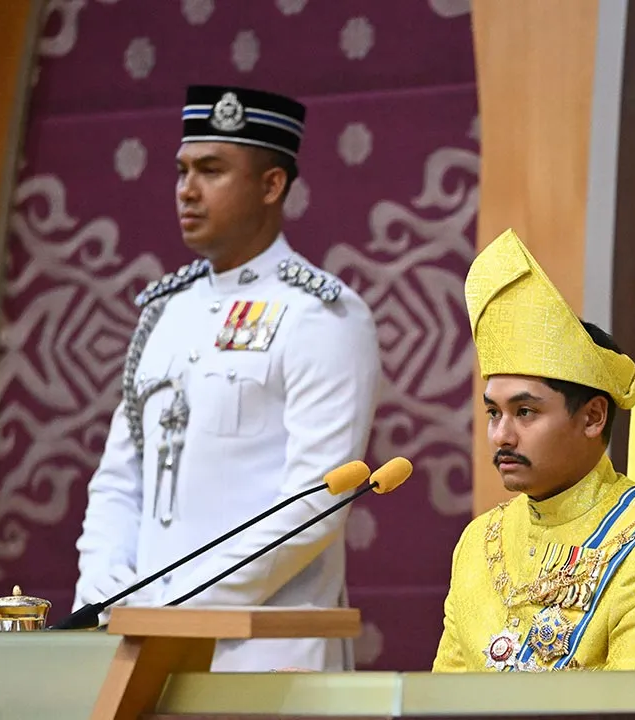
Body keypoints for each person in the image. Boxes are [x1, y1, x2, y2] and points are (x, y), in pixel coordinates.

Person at [72, 85, 381, 673]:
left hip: (264, 655)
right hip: (139, 643)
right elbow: (119, 480)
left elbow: (316, 499)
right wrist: (105, 593)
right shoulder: (164, 310)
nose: (187, 189)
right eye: (183, 170)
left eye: (212, 171)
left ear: (272, 186)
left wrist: (171, 606)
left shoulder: (321, 313)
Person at [432, 229, 635, 709]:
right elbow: (440, 703)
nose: (502, 436)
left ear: (592, 417)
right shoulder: (478, 543)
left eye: (525, 412)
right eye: (493, 412)